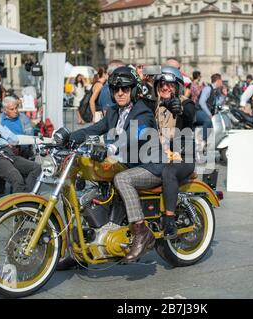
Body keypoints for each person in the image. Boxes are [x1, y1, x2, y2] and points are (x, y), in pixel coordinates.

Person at [70, 66, 164, 263]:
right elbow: (95, 128)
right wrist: (66, 136)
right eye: (115, 89)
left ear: (134, 90)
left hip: (150, 167)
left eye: (125, 88)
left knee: (121, 179)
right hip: (128, 164)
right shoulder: (113, 113)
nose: (120, 93)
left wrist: (111, 149)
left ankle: (141, 232)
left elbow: (133, 135)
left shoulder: (143, 112)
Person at [152, 66, 196, 239]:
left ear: (177, 86)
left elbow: (191, 114)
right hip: (158, 155)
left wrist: (180, 109)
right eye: (161, 84)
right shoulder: (156, 105)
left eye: (170, 84)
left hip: (183, 157)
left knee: (169, 171)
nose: (165, 87)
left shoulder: (185, 102)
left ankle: (169, 221)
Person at [195, 73, 225, 143]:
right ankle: (202, 140)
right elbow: (201, 102)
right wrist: (209, 114)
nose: (222, 83)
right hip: (197, 111)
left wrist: (223, 95)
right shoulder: (208, 88)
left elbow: (218, 103)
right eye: (221, 81)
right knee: (208, 120)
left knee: (214, 122)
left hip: (204, 112)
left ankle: (209, 142)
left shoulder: (215, 91)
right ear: (218, 81)